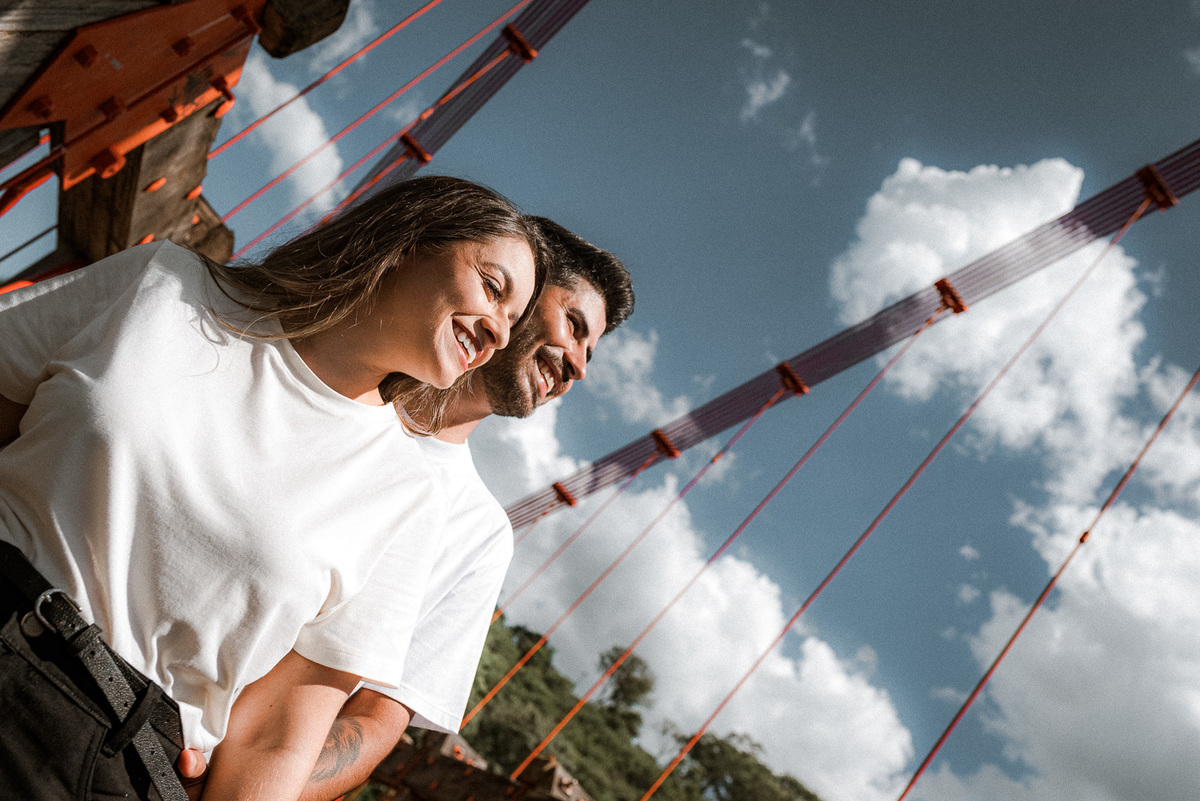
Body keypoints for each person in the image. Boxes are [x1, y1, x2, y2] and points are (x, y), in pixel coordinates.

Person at [0, 176, 548, 801]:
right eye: (493, 287)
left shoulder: (409, 497)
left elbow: (277, 736)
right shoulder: (163, 284)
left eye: (512, 321)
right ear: (408, 240)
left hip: (97, 755)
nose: (501, 332)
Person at [283, 217, 634, 801]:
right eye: (573, 326)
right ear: (517, 294)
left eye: (589, 351)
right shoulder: (322, 377)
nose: (578, 365)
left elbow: (375, 722)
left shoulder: (481, 534)